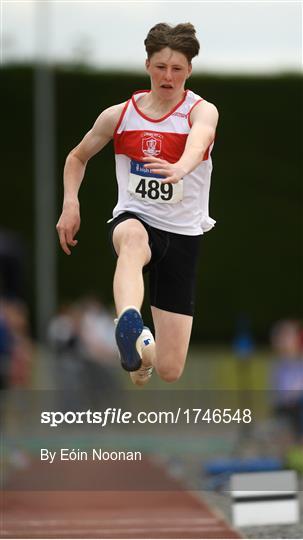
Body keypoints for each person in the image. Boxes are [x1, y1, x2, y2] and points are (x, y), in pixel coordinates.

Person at [56, 22, 219, 386]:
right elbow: (76, 157)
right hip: (136, 217)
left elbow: (200, 139)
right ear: (148, 65)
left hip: (182, 235)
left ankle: (142, 348)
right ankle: (128, 321)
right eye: (161, 66)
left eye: (177, 68)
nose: (168, 76)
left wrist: (181, 166)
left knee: (170, 369)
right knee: (131, 239)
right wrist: (71, 204)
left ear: (189, 70)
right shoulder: (119, 115)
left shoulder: (200, 111)